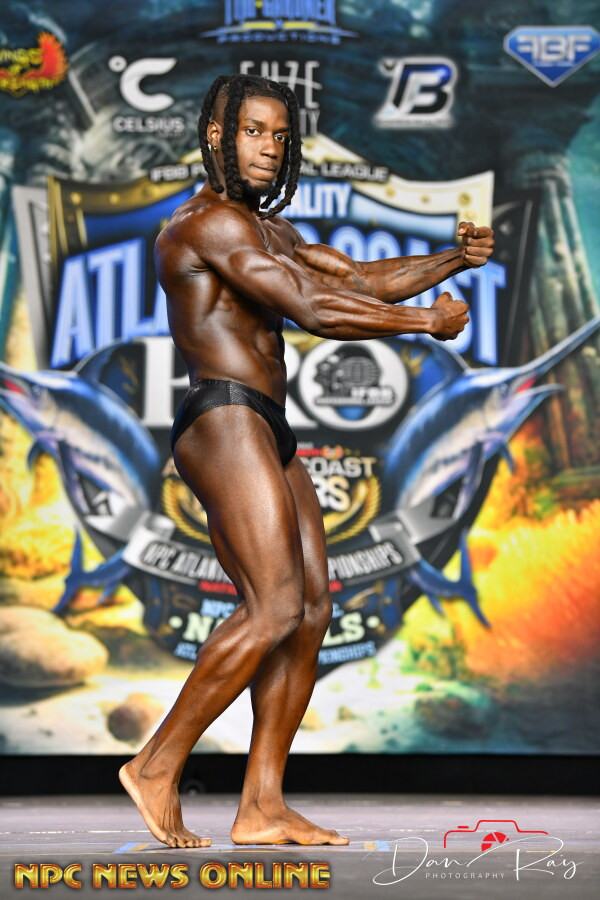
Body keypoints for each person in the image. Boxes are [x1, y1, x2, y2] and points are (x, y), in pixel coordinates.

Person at [119, 73, 494, 849]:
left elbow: (356, 279)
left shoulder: (272, 232)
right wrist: (423, 323)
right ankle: (155, 765)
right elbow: (314, 308)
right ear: (218, 135)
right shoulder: (206, 225)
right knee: (274, 606)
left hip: (267, 423)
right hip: (223, 416)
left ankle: (261, 805)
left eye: (281, 136)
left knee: (312, 609)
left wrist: (452, 261)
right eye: (254, 131)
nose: (269, 148)